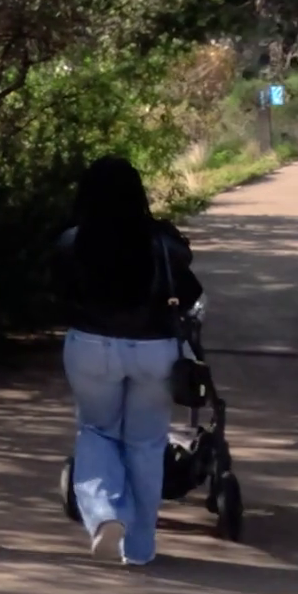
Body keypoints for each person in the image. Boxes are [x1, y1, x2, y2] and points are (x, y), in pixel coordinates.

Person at [57, 156, 202, 566]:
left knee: (96, 431)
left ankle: (105, 514)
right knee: (146, 444)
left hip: (90, 347)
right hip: (155, 351)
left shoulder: (72, 242)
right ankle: (139, 549)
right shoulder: (161, 240)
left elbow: (56, 294)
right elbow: (190, 293)